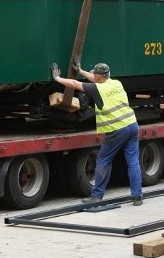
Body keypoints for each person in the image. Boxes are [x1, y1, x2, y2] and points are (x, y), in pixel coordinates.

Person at [50, 61, 144, 206]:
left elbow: (75, 85)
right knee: (133, 162)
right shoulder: (116, 83)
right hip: (132, 125)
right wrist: (80, 70)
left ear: (99, 76)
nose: (93, 76)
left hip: (117, 129)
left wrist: (57, 79)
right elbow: (95, 80)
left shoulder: (97, 89)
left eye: (95, 74)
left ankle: (97, 196)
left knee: (103, 160)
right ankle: (137, 197)